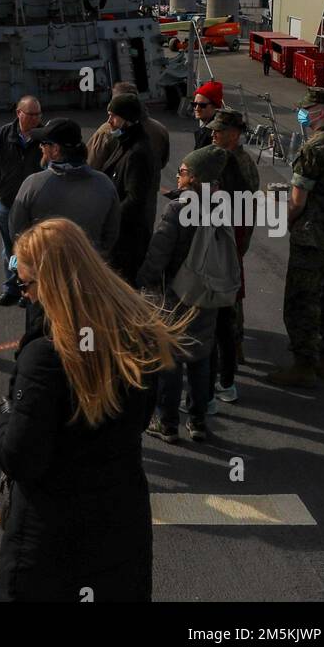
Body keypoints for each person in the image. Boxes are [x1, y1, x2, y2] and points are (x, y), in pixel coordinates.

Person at [0, 217, 184, 603]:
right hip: (119, 521)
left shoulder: (46, 356)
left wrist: (3, 415)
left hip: (50, 537)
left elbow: (20, 456)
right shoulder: (137, 330)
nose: (23, 294)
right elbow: (139, 418)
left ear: (52, 283)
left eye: (26, 283)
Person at [139, 145, 238, 444]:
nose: (179, 176)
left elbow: (158, 254)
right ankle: (197, 421)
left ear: (194, 177)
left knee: (170, 359)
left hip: (175, 295)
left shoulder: (178, 210)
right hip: (207, 294)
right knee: (200, 357)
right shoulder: (221, 205)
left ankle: (167, 423)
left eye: (183, 172)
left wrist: (142, 283)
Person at [268, 88, 324, 387]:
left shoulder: (313, 149)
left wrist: (286, 222)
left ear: (318, 112)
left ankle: (302, 364)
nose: (301, 114)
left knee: (301, 300)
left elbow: (297, 201)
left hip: (312, 239)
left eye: (306, 109)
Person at [9, 118, 119, 261]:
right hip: (87, 270)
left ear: (55, 149)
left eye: (44, 143)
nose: (40, 147)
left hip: (45, 271)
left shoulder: (33, 185)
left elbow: (17, 232)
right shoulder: (104, 184)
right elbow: (111, 233)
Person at [210, 109, 260, 387]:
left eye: (219, 130)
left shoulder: (239, 162)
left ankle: (233, 343)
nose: (214, 133)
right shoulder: (222, 156)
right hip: (227, 232)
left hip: (231, 234)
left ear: (234, 134)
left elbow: (244, 205)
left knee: (230, 291)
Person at [0, 95, 44, 305]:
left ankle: (30, 291)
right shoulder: (1, 135)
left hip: (35, 207)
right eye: (31, 114)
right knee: (10, 249)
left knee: (33, 250)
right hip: (8, 203)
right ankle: (12, 287)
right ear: (19, 113)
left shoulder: (44, 137)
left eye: (38, 114)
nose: (36, 118)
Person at [97, 93, 159, 282]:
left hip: (127, 240)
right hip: (122, 236)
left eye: (114, 116)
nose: (110, 121)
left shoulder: (137, 152)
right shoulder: (126, 142)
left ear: (128, 119)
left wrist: (109, 220)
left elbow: (135, 199)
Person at [87, 81, 170, 173]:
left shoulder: (107, 131)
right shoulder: (160, 129)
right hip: (151, 184)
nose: (109, 121)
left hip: (114, 185)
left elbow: (91, 165)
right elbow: (162, 162)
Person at [191, 81, 223, 148]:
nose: (197, 108)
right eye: (194, 104)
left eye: (202, 105)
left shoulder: (212, 135)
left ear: (215, 106)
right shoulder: (207, 129)